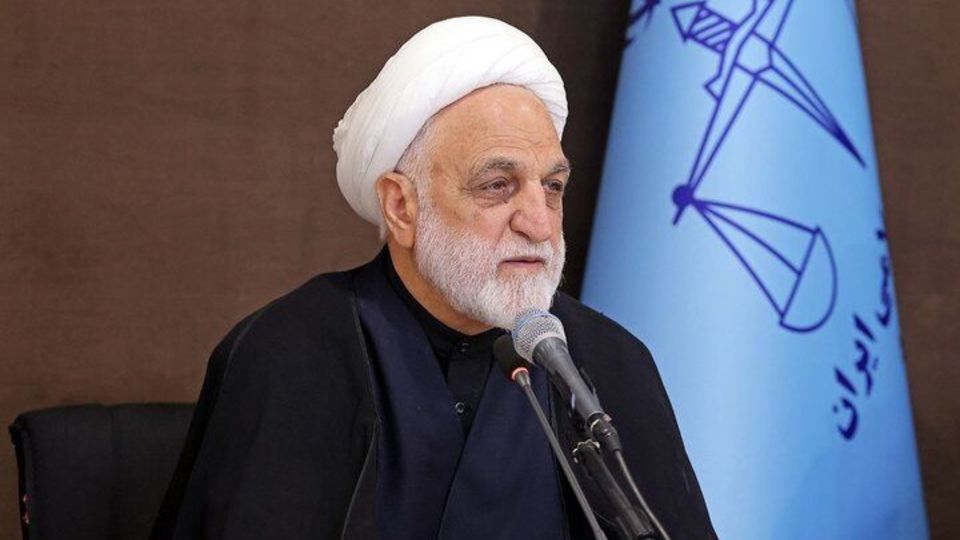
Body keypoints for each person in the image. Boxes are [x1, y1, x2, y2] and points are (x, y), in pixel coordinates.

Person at [151, 16, 716, 540]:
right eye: (497, 185)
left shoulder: (609, 361)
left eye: (552, 186)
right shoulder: (289, 353)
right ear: (401, 206)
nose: (540, 223)